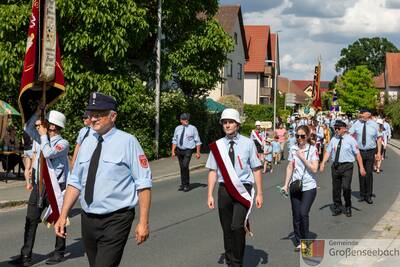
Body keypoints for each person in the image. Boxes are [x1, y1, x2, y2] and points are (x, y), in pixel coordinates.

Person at [54, 92, 152, 267]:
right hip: (88, 218)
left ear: (112, 116)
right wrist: (63, 215)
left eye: (98, 114)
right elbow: (75, 181)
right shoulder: (86, 141)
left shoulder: (128, 142)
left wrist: (143, 222)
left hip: (117, 219)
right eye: (91, 114)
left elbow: (143, 183)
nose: (92, 119)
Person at [10, 110, 69, 266]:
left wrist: (43, 135)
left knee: (59, 219)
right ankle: (26, 255)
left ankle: (59, 252)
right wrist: (38, 110)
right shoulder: (42, 139)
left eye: (45, 122)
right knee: (31, 219)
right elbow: (28, 128)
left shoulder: (63, 143)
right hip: (39, 186)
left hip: (56, 187)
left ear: (53, 127)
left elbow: (48, 153)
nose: (40, 126)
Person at [207, 108, 263, 267]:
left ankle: (237, 262)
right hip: (224, 190)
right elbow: (212, 171)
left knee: (237, 227)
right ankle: (231, 262)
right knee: (227, 230)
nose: (227, 125)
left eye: (230, 122)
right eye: (224, 122)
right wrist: (209, 194)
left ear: (237, 124)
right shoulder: (217, 146)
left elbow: (256, 169)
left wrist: (259, 193)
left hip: (243, 189)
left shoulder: (248, 143)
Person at [281, 125, 319, 251]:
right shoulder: (293, 148)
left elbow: (314, 168)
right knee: (296, 215)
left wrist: (302, 157)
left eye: (302, 136)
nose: (299, 138)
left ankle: (306, 242)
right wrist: (286, 185)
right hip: (295, 185)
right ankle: (298, 241)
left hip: (309, 186)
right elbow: (290, 167)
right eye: (297, 136)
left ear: (308, 136)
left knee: (303, 213)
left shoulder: (313, 150)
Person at [320, 120, 366, 217]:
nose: (336, 130)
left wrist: (361, 167)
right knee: (336, 189)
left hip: (347, 166)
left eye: (338, 128)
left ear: (344, 129)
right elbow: (328, 152)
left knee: (346, 187)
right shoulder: (333, 139)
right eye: (335, 128)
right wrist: (323, 162)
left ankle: (348, 206)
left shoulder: (351, 140)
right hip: (336, 166)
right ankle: (337, 207)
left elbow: (358, 154)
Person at [348, 109, 382, 204]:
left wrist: (379, 153)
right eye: (361, 114)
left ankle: (369, 195)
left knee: (369, 173)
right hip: (360, 152)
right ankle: (362, 194)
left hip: (371, 151)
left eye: (363, 114)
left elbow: (379, 138)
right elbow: (349, 134)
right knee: (361, 172)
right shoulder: (356, 124)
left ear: (368, 114)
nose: (361, 115)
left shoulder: (375, 125)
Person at [171, 113, 202, 192]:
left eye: (187, 119)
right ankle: (183, 184)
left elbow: (197, 141)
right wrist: (173, 151)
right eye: (184, 119)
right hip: (179, 149)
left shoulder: (193, 128)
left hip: (188, 150)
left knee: (185, 165)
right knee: (182, 167)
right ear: (181, 120)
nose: (186, 120)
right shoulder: (177, 128)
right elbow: (174, 140)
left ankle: (187, 185)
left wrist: (198, 152)